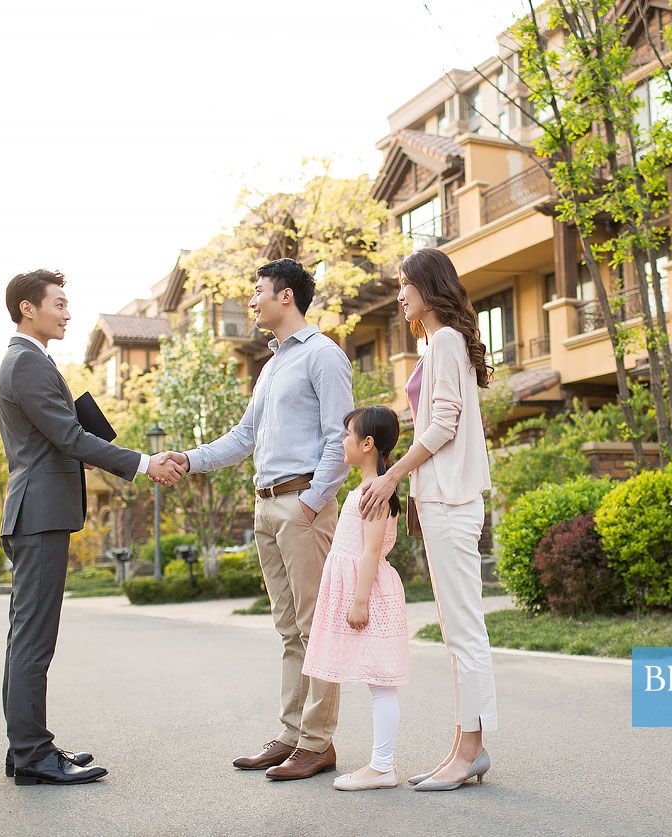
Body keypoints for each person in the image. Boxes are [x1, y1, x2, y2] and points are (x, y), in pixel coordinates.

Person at [162, 258, 353, 781]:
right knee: (290, 629)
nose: (251, 301)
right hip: (267, 505)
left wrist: (314, 500)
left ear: (285, 296)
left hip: (302, 505)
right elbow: (245, 438)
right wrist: (188, 458)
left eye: (258, 291)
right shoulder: (271, 367)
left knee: (316, 628)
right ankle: (292, 735)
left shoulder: (323, 356)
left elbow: (341, 437)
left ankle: (319, 742)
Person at [0, 269, 186, 786]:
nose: (67, 312)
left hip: (37, 512)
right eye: (58, 303)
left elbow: (65, 436)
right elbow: (68, 436)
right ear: (27, 308)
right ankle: (32, 753)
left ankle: (27, 747)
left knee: (27, 636)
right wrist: (144, 462)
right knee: (34, 638)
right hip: (38, 513)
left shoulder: (30, 361)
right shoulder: (27, 363)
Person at [360, 247, 496, 791]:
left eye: (404, 283)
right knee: (460, 632)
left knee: (465, 634)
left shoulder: (443, 341)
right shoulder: (440, 343)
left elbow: (440, 426)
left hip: (449, 500)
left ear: (427, 285)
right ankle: (464, 749)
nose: (398, 294)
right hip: (443, 500)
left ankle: (469, 752)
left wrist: (391, 477)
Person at [302, 406, 409, 791]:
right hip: (359, 589)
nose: (343, 442)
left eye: (348, 435)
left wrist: (360, 599)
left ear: (367, 444)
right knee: (375, 680)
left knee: (381, 681)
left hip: (370, 593)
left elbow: (371, 550)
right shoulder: (365, 488)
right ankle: (382, 764)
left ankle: (382, 766)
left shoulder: (374, 492)